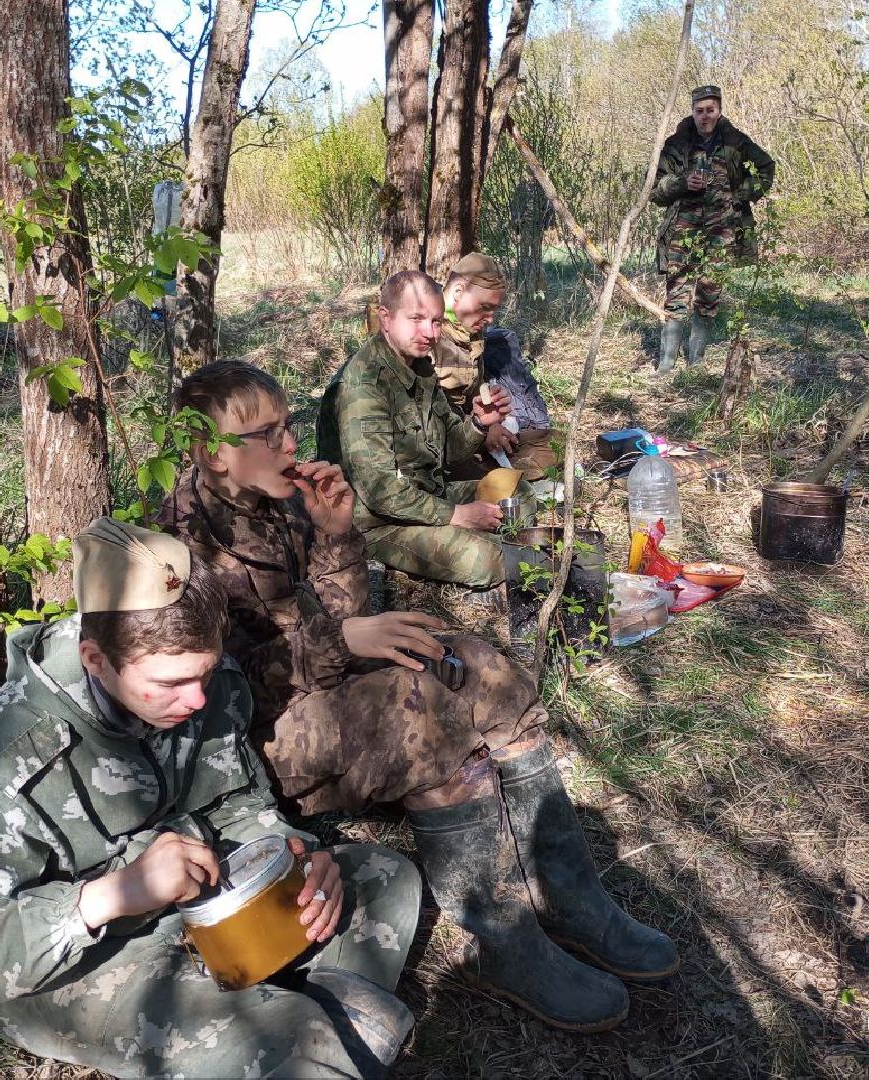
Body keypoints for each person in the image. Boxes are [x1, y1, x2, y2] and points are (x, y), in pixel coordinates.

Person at [163, 360, 679, 1033]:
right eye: (269, 433)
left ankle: (568, 896)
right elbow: (216, 692)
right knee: (422, 712)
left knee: (478, 664)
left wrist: (338, 531)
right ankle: (501, 938)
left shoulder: (282, 499)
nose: (291, 444)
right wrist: (341, 641)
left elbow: (346, 613)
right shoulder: (179, 545)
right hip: (256, 743)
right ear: (211, 451)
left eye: (289, 424)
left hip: (318, 692)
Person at [0, 517, 421, 1078]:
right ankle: (301, 1027)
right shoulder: (3, 760)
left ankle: (301, 1013)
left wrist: (292, 856)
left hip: (196, 905)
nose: (197, 700)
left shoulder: (202, 680)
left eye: (204, 673)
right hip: (79, 960)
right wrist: (111, 896)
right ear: (97, 660)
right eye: (170, 684)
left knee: (385, 879)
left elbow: (238, 803)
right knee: (289, 1041)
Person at [317, 270, 529, 588]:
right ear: (386, 318)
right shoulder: (364, 386)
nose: (429, 333)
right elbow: (380, 493)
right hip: (377, 522)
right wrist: (456, 515)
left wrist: (478, 423)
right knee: (487, 559)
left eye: (436, 321)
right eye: (416, 319)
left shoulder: (419, 366)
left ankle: (490, 541)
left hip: (427, 493)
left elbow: (450, 448)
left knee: (519, 496)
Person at [651, 84, 775, 373]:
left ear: (719, 111)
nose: (704, 116)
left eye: (710, 110)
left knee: (709, 293)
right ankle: (666, 366)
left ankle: (696, 363)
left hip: (722, 231)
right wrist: (682, 183)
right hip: (682, 232)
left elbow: (766, 169)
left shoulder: (737, 143)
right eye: (699, 111)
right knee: (676, 293)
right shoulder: (676, 145)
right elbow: (656, 191)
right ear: (692, 112)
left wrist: (740, 194)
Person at [431, 252, 556, 481]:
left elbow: (473, 392)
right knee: (500, 487)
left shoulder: (471, 328)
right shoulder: (426, 333)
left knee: (551, 447)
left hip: (470, 430)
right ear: (458, 291)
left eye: (493, 310)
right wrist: (478, 430)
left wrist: (492, 420)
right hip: (440, 444)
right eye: (484, 307)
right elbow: (427, 415)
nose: (489, 319)